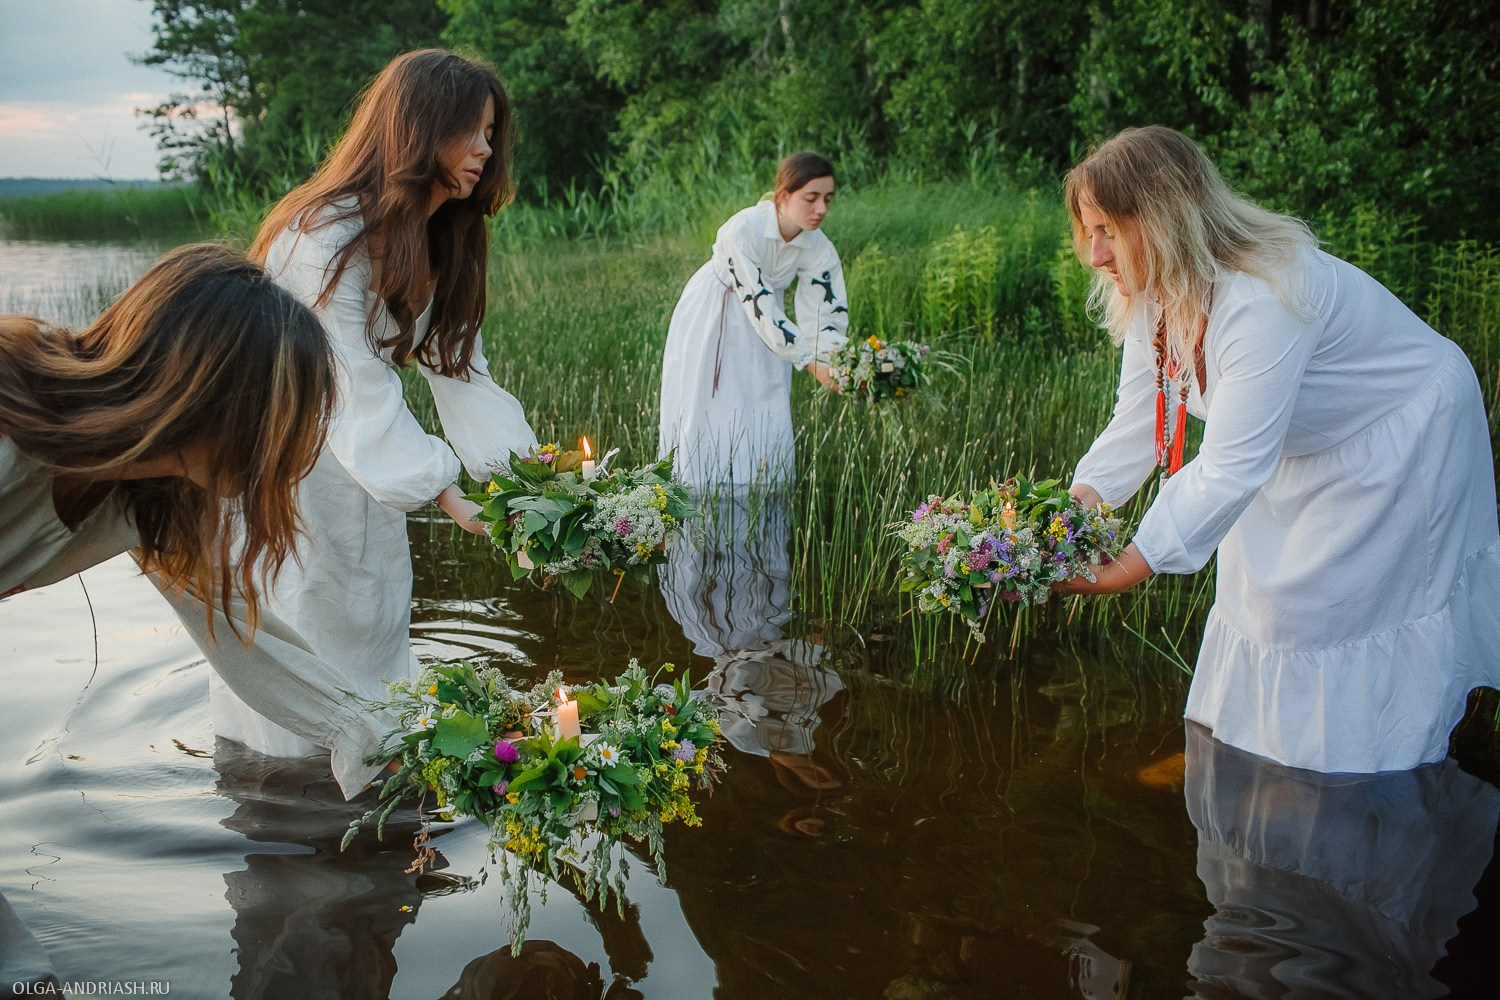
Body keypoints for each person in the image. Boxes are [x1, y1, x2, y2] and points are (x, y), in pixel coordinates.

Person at [1054, 125, 1500, 774]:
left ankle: (1345, 773)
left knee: (1323, 615)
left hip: (1396, 436)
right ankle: (1245, 756)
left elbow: (1232, 465)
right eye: (1088, 233)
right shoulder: (1153, 290)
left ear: (1164, 219)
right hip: (1295, 443)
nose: (1095, 255)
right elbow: (1140, 419)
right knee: (1256, 601)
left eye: (1108, 232)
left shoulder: (1263, 294)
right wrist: (1066, 514)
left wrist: (1125, 565)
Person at [202, 49, 538, 760]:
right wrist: (446, 493)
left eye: (490, 133)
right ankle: (286, 778)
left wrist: (530, 483)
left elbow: (462, 370)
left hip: (368, 460)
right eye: (471, 130)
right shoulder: (321, 234)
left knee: (370, 608)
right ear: (419, 128)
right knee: (304, 602)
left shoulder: (443, 235)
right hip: (288, 451)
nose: (486, 148)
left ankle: (369, 765)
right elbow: (349, 376)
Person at [0, 243, 397, 796]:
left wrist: (372, 736)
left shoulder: (149, 500)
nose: (284, 446)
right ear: (211, 395)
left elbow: (241, 632)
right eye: (277, 416)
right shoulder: (12, 436)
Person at [658, 152, 847, 490]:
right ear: (783, 196)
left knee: (766, 402)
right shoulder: (743, 229)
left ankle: (760, 488)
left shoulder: (817, 247)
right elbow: (758, 299)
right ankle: (697, 489)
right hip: (717, 311)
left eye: (827, 199)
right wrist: (807, 359)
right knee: (712, 405)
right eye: (811, 198)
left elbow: (825, 311)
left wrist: (835, 362)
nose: (821, 209)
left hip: (769, 327)